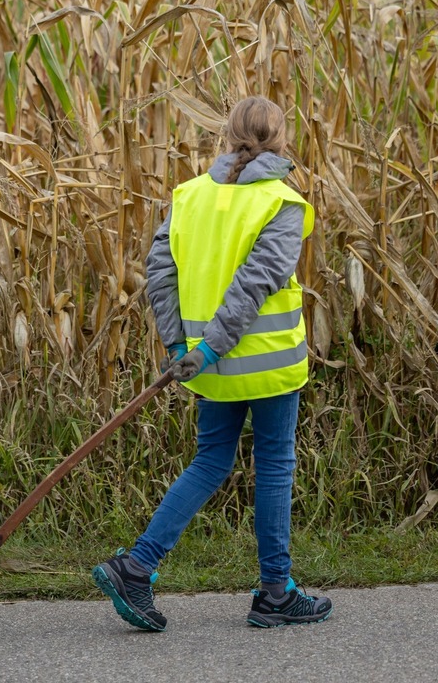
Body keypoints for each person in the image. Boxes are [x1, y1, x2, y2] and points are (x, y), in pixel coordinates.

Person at [92, 96, 333, 631]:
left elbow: (160, 269)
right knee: (273, 466)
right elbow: (255, 285)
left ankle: (138, 565)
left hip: (209, 367)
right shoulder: (281, 202)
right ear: (280, 139)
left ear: (227, 137)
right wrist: (204, 349)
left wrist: (183, 346)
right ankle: (276, 592)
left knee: (210, 462)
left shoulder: (190, 196)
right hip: (266, 365)